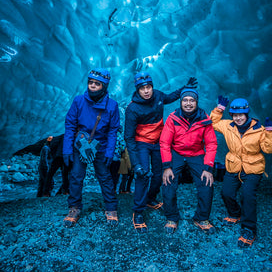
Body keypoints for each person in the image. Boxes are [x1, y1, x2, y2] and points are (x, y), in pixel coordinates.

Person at [124, 72, 198, 233]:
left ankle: (150, 198)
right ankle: (138, 212)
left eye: (148, 87)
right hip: (141, 143)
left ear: (152, 87)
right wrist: (135, 164)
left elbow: (170, 97)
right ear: (137, 89)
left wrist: (185, 88)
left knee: (159, 174)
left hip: (158, 142)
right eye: (142, 88)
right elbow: (128, 138)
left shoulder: (158, 95)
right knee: (143, 175)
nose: (146, 91)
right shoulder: (132, 109)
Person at [210, 96, 272, 248]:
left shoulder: (259, 130)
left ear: (247, 114)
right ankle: (235, 214)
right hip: (234, 165)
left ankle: (249, 229)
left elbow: (270, 149)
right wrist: (219, 109)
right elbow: (212, 123)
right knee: (226, 193)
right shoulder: (228, 126)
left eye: (241, 115)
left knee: (247, 196)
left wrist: (270, 132)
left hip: (253, 168)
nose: (238, 118)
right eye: (234, 115)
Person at [62, 68, 121, 227]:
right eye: (91, 82)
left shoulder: (112, 105)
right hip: (81, 145)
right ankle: (74, 207)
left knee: (105, 177)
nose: (93, 86)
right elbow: (70, 125)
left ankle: (111, 208)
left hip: (100, 146)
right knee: (76, 176)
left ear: (104, 86)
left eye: (97, 83)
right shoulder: (78, 101)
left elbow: (113, 130)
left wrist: (110, 151)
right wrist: (67, 149)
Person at [159, 87, 218, 234]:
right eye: (185, 100)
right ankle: (172, 217)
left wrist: (208, 168)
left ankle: (201, 218)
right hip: (177, 153)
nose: (188, 103)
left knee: (207, 182)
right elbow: (165, 143)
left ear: (196, 102)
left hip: (196, 154)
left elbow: (211, 144)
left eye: (192, 100)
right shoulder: (173, 118)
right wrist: (167, 166)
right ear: (181, 102)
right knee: (168, 182)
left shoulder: (205, 119)